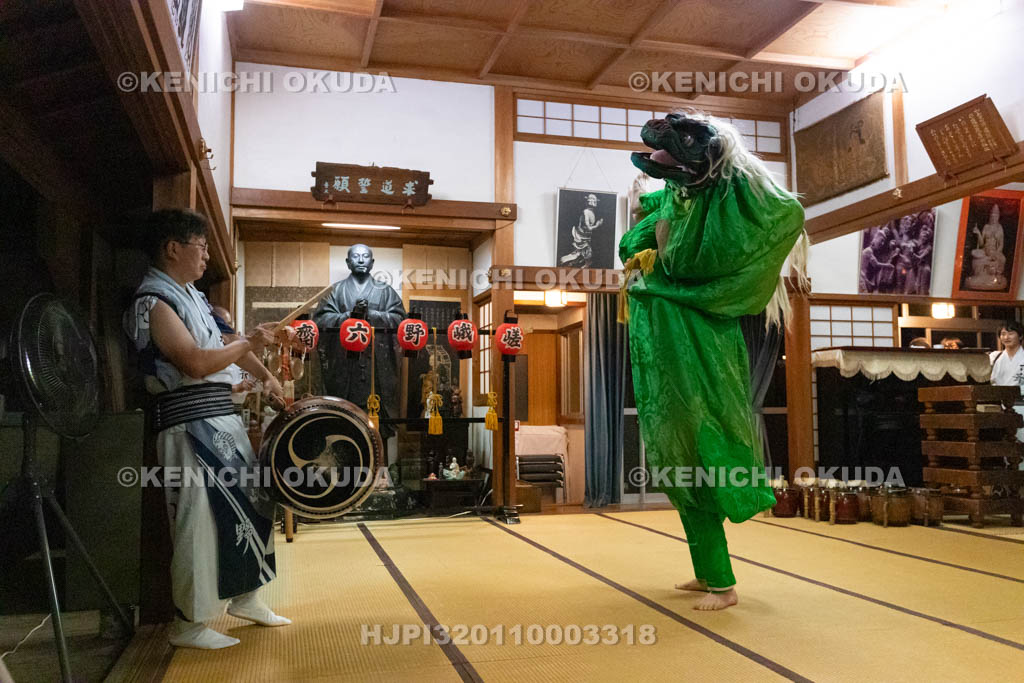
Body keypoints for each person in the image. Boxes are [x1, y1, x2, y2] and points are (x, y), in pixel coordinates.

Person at [621, 111, 807, 611]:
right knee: (677, 456)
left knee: (705, 445)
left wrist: (657, 257)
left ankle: (723, 584)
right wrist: (651, 229)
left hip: (702, 346)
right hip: (665, 345)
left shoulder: (725, 212)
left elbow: (784, 213)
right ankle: (709, 572)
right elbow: (631, 245)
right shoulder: (679, 202)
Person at [124, 209, 291, 649]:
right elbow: (195, 362)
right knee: (198, 519)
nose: (205, 257)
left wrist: (268, 378)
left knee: (256, 502)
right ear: (173, 248)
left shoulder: (193, 297)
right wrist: (249, 343)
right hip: (186, 420)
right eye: (200, 247)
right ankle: (188, 623)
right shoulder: (154, 302)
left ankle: (247, 597)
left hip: (221, 418)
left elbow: (231, 346)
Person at [313, 244, 406, 439]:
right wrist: (349, 316)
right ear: (348, 262)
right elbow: (320, 321)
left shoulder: (386, 292)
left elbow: (401, 321)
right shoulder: (335, 291)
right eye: (356, 256)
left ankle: (378, 466)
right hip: (345, 367)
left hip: (377, 368)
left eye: (366, 257)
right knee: (343, 425)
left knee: (377, 428)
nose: (361, 260)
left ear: (372, 262)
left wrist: (371, 315)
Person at [990, 320, 1024, 456]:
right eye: (1003, 334)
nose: (1006, 337)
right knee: (1006, 447)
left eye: (1011, 333)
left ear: (1020, 336)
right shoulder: (995, 357)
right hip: (1002, 407)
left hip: (1022, 405)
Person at [560, 193, 604, 267]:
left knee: (586, 253)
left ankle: (583, 262)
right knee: (581, 252)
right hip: (581, 237)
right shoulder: (586, 212)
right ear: (590, 202)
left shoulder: (591, 211)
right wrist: (597, 225)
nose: (595, 202)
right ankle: (571, 261)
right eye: (593, 201)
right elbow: (588, 227)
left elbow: (589, 228)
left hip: (586, 236)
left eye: (595, 201)